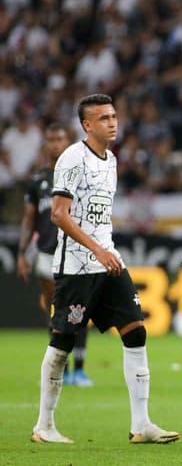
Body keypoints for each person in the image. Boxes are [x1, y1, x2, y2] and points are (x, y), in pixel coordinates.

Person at [31, 94, 179, 445]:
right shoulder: (71, 158)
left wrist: (105, 248)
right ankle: (44, 426)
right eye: (104, 118)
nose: (112, 122)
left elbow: (98, 215)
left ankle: (141, 424)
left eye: (114, 116)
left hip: (109, 264)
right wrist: (96, 248)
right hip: (78, 268)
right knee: (62, 343)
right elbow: (59, 214)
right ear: (87, 125)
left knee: (136, 333)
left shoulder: (110, 160)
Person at [17, 123, 93, 387]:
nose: (55, 144)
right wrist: (22, 253)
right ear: (45, 144)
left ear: (67, 141)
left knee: (79, 311)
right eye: (50, 139)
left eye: (59, 138)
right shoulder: (38, 182)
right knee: (55, 311)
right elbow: (29, 220)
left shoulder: (79, 174)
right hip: (47, 254)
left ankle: (79, 369)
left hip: (76, 253)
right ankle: (63, 367)